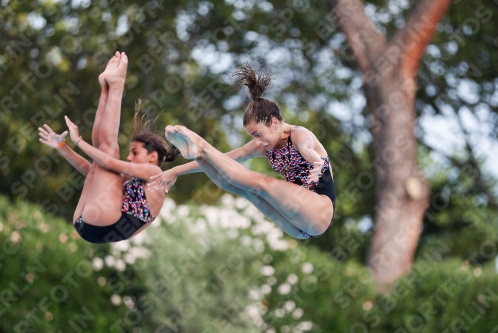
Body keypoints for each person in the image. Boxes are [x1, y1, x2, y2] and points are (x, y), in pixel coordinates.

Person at [149, 63, 336, 239]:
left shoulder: (299, 135)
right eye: (253, 136)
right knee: (247, 190)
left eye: (258, 134)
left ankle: (201, 145)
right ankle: (200, 153)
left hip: (318, 210)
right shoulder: (263, 145)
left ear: (275, 123)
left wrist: (317, 163)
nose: (257, 142)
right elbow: (224, 159)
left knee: (262, 182)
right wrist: (175, 171)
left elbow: (307, 149)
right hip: (296, 227)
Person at [38, 51, 179, 243]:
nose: (129, 157)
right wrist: (63, 147)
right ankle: (106, 85)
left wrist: (78, 141)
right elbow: (92, 169)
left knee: (108, 151)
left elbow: (109, 161)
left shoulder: (154, 173)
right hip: (91, 223)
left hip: (104, 223)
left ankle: (117, 85)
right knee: (99, 160)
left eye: (135, 152)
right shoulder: (139, 179)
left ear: (153, 156)